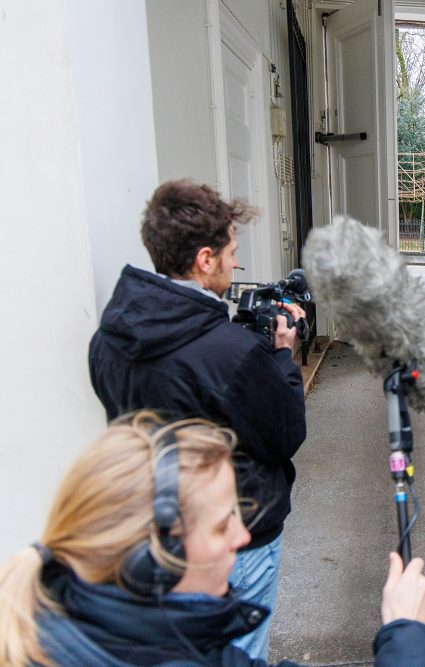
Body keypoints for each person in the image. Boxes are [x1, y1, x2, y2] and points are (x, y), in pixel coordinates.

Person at [0, 412, 425, 666]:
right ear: (149, 559)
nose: (241, 535)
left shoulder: (155, 638)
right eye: (220, 523)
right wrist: (408, 635)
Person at [88, 180, 307, 659]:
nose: (235, 262)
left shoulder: (109, 336)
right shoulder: (229, 352)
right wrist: (283, 357)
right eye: (230, 251)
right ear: (205, 260)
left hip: (151, 535)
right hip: (233, 536)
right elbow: (284, 433)